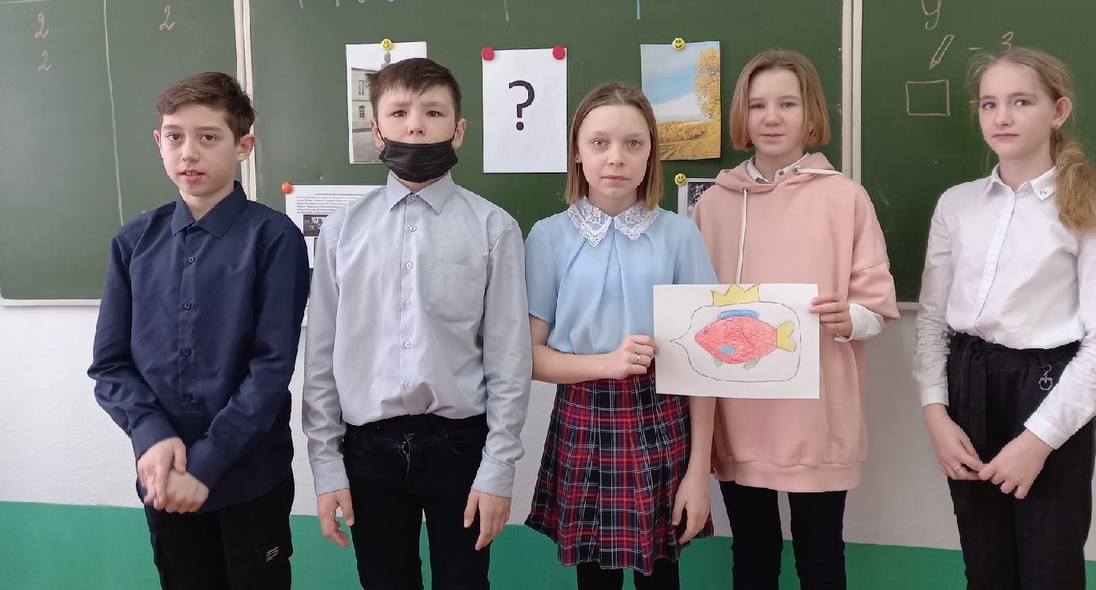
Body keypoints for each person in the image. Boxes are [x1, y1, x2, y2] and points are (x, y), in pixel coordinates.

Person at [302, 57, 532, 590]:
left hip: (460, 447)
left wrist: (499, 468)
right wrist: (326, 466)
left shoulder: (493, 228)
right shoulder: (341, 232)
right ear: (377, 129)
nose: (415, 126)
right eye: (399, 113)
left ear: (458, 129)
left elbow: (508, 357)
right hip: (367, 451)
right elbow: (321, 357)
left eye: (433, 112)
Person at [914, 47, 1096, 589]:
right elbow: (933, 322)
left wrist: (1038, 441)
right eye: (989, 104)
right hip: (967, 387)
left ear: (1058, 110)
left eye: (1021, 102)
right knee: (986, 569)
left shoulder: (1095, 203)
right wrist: (936, 414)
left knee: (1049, 569)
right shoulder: (957, 205)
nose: (1002, 117)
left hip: (1050, 390)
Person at [89, 72, 310, 589]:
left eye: (208, 137)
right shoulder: (133, 243)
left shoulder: (274, 238)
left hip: (248, 480)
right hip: (163, 479)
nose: (188, 152)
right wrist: (151, 434)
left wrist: (205, 465)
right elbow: (110, 365)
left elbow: (271, 369)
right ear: (158, 141)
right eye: (175, 136)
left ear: (243, 146)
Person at [689, 49, 899, 590]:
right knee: (752, 556)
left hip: (817, 419)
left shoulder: (846, 198)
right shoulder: (712, 204)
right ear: (742, 114)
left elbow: (877, 309)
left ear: (811, 114)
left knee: (821, 555)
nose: (772, 117)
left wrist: (848, 317)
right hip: (739, 417)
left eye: (787, 103)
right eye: (758, 105)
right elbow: (691, 311)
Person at [525, 82, 717, 590]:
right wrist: (605, 364)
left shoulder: (680, 235)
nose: (616, 157)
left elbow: (705, 366)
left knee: (663, 574)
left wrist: (698, 471)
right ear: (577, 151)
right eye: (599, 142)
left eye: (633, 143)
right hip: (584, 415)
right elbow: (530, 358)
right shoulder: (547, 236)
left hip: (663, 415)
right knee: (596, 576)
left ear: (651, 153)